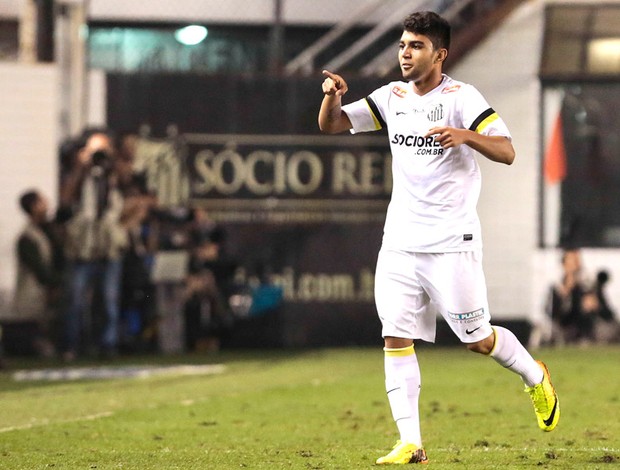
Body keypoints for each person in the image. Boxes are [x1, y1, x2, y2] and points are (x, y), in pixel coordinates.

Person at [318, 11, 560, 465]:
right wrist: (332, 98)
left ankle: (534, 374)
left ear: (439, 54)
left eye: (416, 46)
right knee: (395, 336)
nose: (405, 54)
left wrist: (465, 135)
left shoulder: (461, 97)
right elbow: (331, 125)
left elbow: (507, 150)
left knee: (477, 339)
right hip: (400, 243)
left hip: (452, 242)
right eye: (403, 45)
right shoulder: (391, 96)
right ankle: (411, 442)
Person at [59, 128, 130, 360]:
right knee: (76, 299)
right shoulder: (80, 174)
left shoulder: (112, 174)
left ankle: (107, 344)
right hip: (83, 246)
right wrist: (82, 166)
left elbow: (127, 183)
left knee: (109, 299)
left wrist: (112, 160)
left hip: (108, 245)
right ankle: (72, 345)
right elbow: (67, 198)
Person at [13, 190, 64, 357]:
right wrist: (58, 282)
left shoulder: (47, 229)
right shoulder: (27, 236)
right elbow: (39, 270)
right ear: (34, 207)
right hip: (33, 294)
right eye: (42, 201)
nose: (47, 203)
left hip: (45, 292)